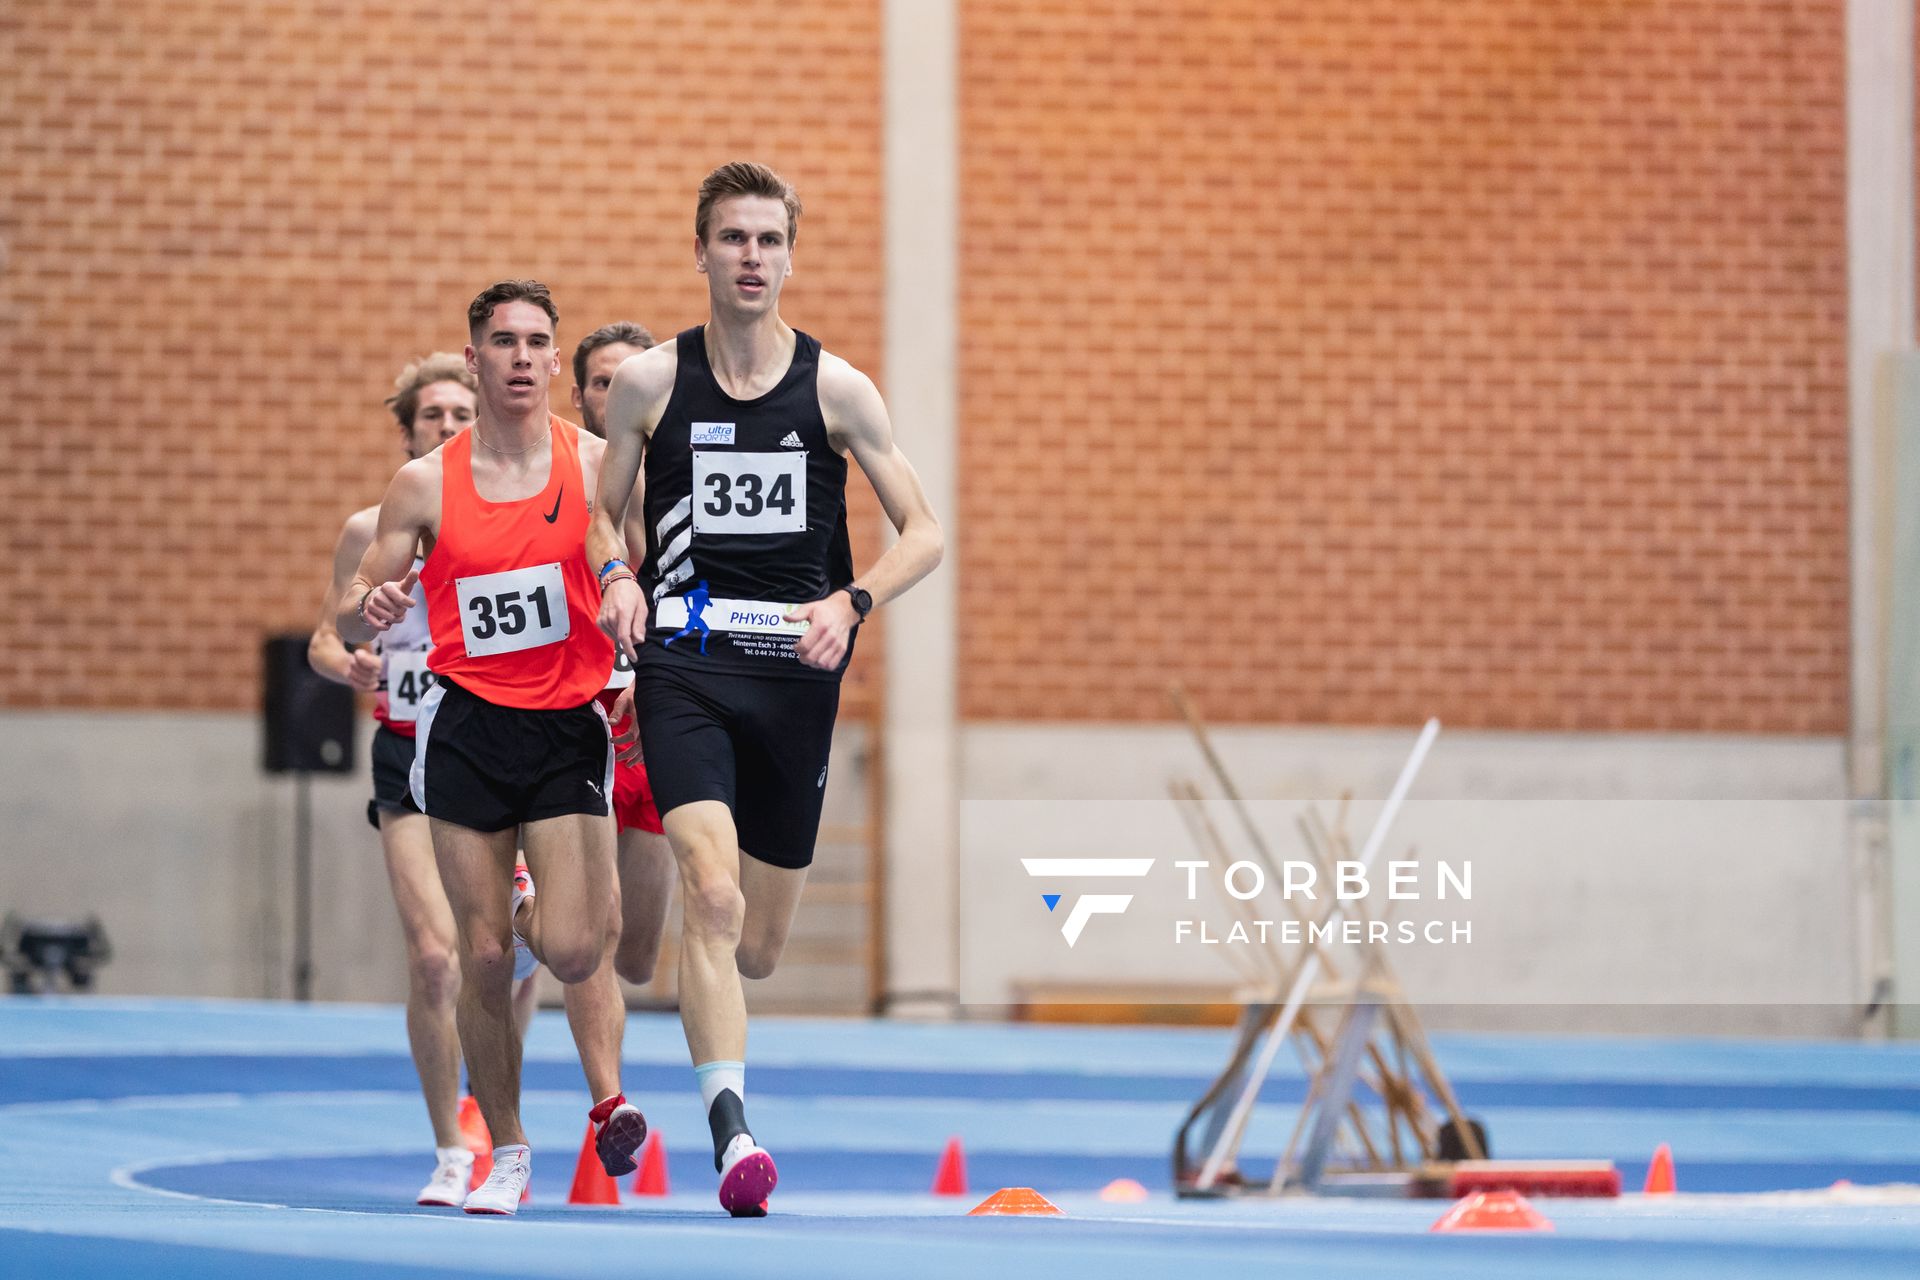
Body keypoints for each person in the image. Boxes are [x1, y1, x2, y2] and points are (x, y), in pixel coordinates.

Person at [591, 162, 944, 1216]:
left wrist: (853, 601)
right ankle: (733, 1129)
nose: (752, 257)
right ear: (698, 250)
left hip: (794, 677)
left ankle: (712, 1031)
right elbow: (601, 516)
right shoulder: (654, 383)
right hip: (687, 664)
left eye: (769, 240)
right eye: (733, 238)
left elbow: (925, 531)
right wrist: (616, 578)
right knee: (710, 886)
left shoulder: (838, 390)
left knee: (756, 942)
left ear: (790, 254)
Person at [338, 281, 644, 1216]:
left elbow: (638, 563)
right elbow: (353, 600)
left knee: (577, 946)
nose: (520, 356)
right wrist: (377, 602)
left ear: (558, 362)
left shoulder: (596, 465)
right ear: (474, 359)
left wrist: (629, 601)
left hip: (564, 728)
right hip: (464, 723)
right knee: (472, 956)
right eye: (502, 341)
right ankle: (506, 1149)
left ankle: (524, 923)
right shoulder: (426, 484)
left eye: (536, 342)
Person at [307, 353, 540, 1206]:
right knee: (437, 958)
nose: (446, 425)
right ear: (407, 431)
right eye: (431, 416)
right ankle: (449, 1148)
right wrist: (352, 662)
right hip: (408, 753)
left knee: (507, 962)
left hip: (495, 743)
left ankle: (493, 1102)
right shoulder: (375, 525)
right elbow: (323, 637)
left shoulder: (505, 517)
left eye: (458, 411)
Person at [572, 322, 677, 995]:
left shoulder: (681, 474)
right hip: (576, 707)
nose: (616, 394)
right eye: (603, 382)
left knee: (635, 958)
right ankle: (607, 1099)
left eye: (629, 381)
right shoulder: (553, 471)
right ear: (580, 394)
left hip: (654, 707)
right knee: (594, 924)